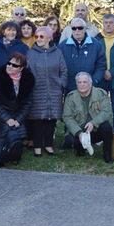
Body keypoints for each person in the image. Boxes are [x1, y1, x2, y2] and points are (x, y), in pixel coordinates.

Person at [26, 26, 68, 156]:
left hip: (54, 91)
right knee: (37, 119)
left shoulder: (57, 52)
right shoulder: (31, 53)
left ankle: (49, 145)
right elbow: (27, 72)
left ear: (49, 38)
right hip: (37, 91)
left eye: (42, 36)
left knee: (51, 119)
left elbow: (64, 70)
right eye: (36, 36)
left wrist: (61, 84)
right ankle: (37, 146)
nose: (38, 39)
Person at [0, 52, 35, 167]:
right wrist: (7, 118)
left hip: (17, 113)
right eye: (9, 63)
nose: (9, 66)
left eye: (14, 65)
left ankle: (13, 155)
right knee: (6, 128)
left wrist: (18, 120)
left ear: (21, 68)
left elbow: (28, 103)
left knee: (16, 129)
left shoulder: (28, 79)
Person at [62, 72, 114, 164]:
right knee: (69, 141)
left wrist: (94, 123)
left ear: (90, 84)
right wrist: (79, 133)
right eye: (79, 82)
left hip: (95, 130)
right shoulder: (70, 97)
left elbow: (107, 112)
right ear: (76, 84)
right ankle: (80, 148)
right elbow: (67, 117)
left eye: (85, 82)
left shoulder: (100, 94)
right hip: (80, 129)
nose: (82, 85)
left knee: (107, 127)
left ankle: (107, 154)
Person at [58, 17, 107, 92]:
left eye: (80, 28)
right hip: (70, 88)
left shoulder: (96, 45)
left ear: (85, 28)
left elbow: (101, 65)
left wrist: (95, 80)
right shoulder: (62, 46)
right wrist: (64, 83)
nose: (77, 30)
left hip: (91, 88)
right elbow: (59, 67)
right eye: (74, 28)